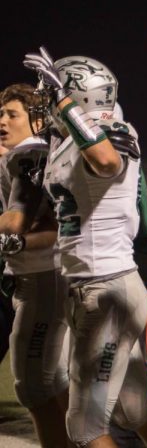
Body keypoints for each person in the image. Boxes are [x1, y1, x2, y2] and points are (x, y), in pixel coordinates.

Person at [23, 48, 147, 448]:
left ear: (78, 95)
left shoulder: (110, 126)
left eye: (56, 93)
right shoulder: (66, 139)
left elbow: (108, 163)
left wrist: (65, 105)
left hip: (107, 286)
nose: (48, 102)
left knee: (85, 426)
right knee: (133, 411)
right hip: (85, 285)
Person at [0, 83, 68, 447]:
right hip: (40, 274)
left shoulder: (29, 155)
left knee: (32, 386)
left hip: (41, 277)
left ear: (37, 119)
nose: (3, 120)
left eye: (13, 114)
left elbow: (15, 224)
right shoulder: (31, 154)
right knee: (54, 381)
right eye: (1, 113)